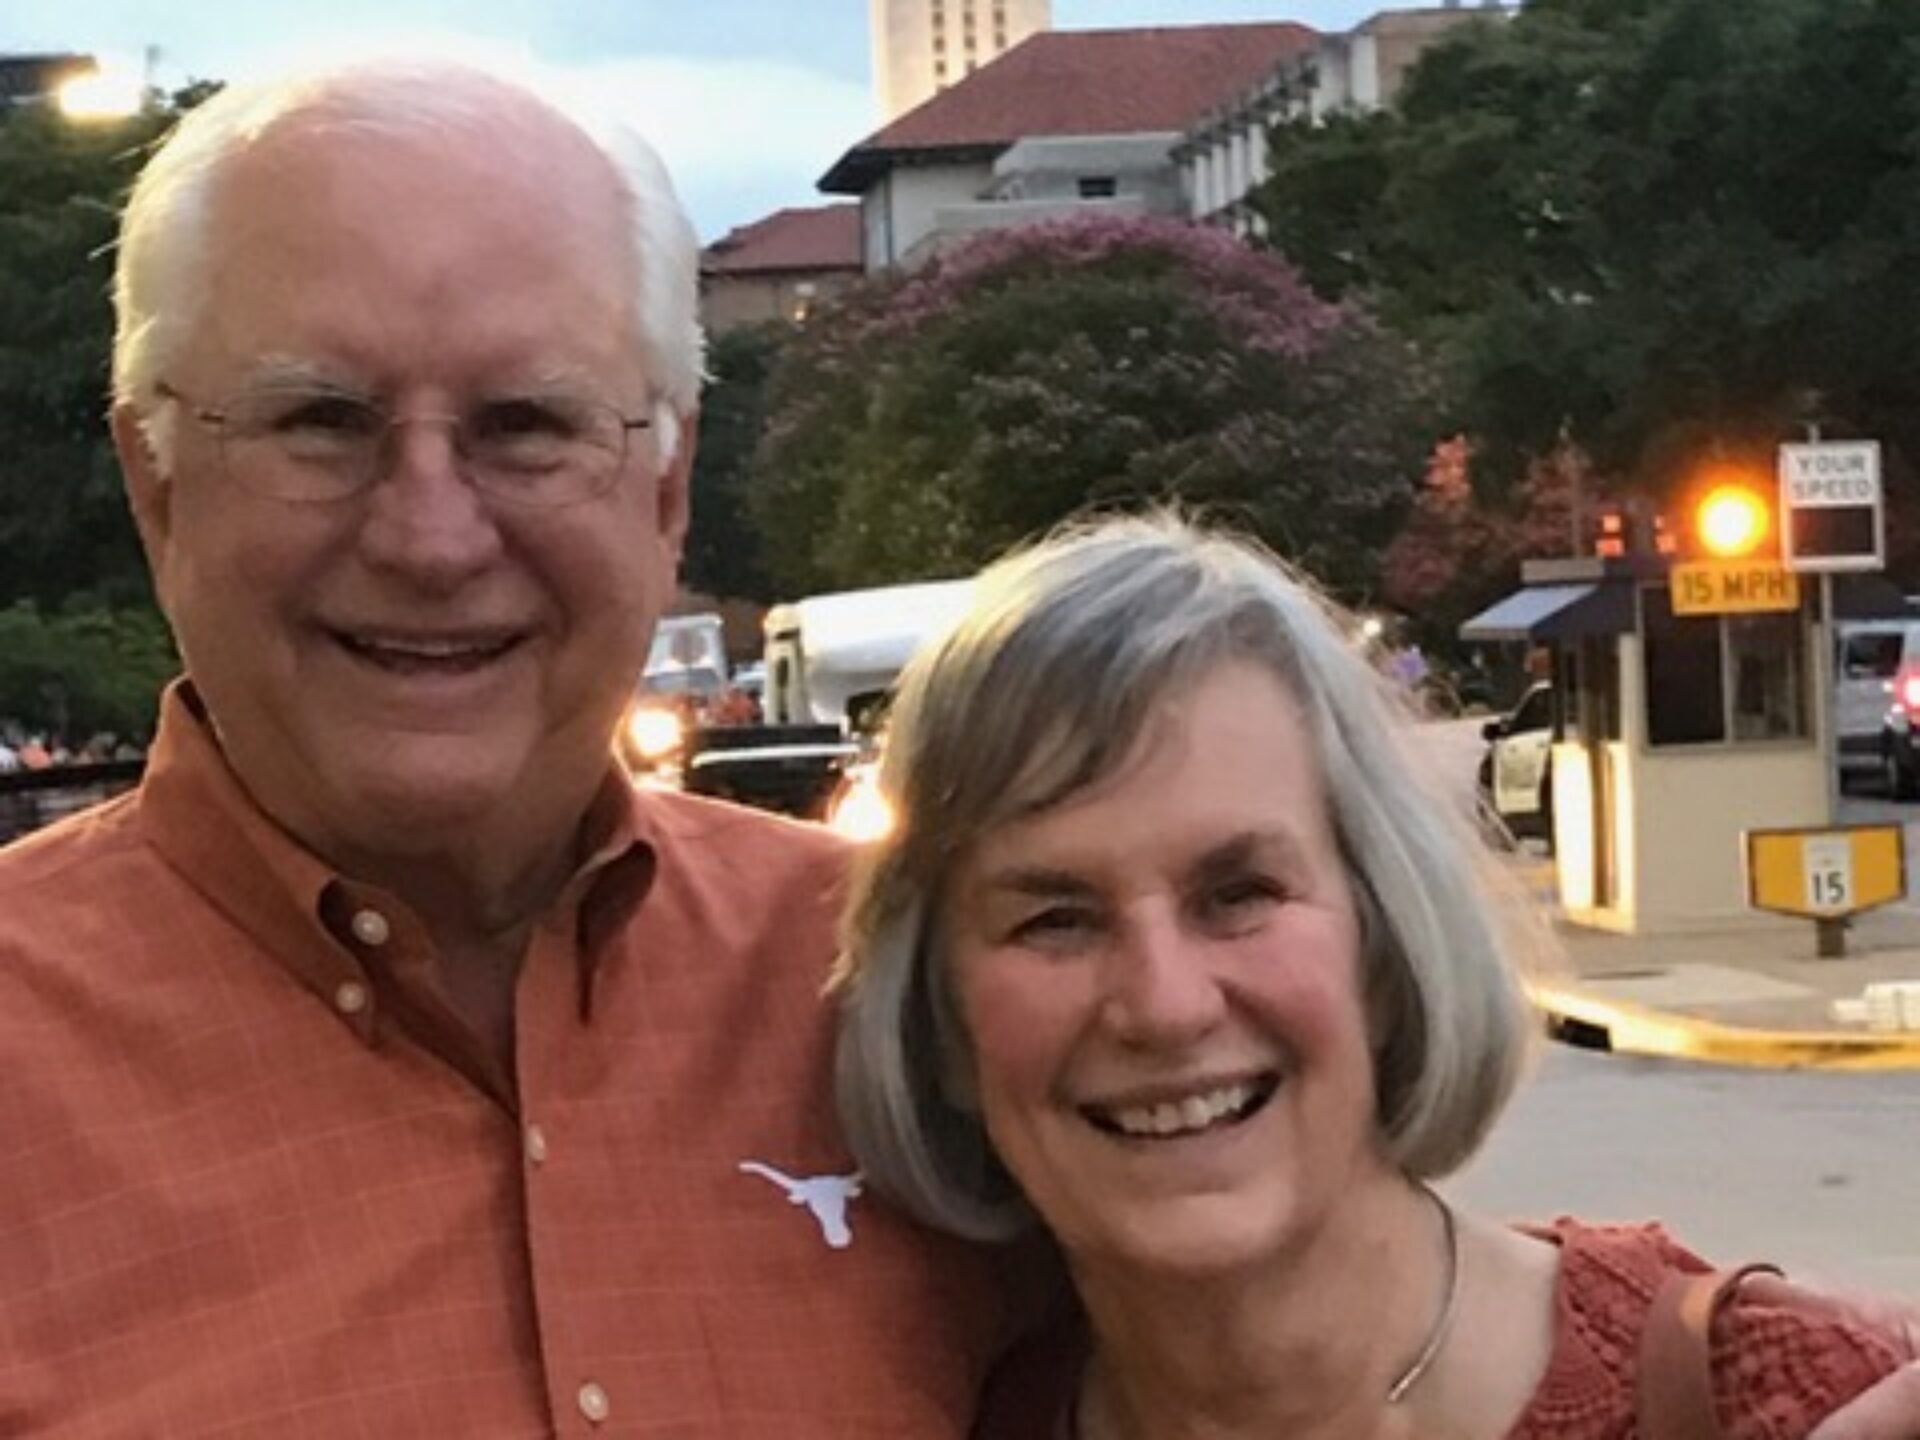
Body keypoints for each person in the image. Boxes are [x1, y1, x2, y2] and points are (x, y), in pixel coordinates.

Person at [0, 55, 1011, 1436]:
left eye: (527, 425)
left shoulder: (930, 1003)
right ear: (153, 481)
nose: (430, 536)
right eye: (322, 422)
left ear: (668, 484)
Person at [833, 512, 1917, 1439]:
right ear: (942, 1024)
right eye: (1055, 919)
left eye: (1240, 893)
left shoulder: (1788, 1401)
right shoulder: (931, 1418)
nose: (1164, 1005)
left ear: (1386, 944)